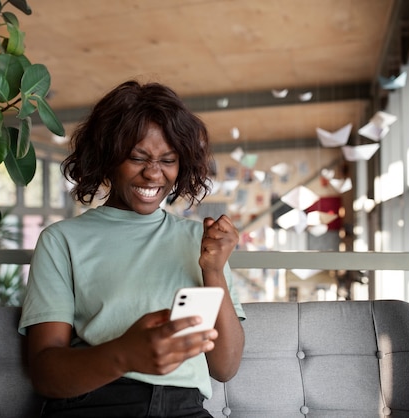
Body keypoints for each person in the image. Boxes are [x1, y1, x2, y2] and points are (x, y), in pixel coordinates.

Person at [19, 80, 246, 418]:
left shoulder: (201, 242)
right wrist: (125, 354)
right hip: (95, 403)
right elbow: (45, 372)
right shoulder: (62, 240)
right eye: (138, 157)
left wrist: (213, 270)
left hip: (185, 408)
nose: (154, 174)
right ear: (108, 157)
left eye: (168, 160)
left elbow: (224, 367)